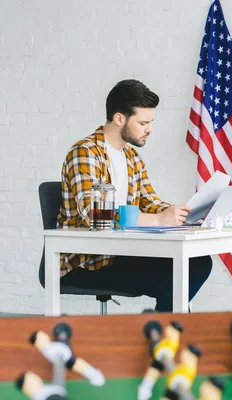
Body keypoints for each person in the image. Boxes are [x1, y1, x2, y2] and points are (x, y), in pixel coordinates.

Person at [57, 79, 213, 312]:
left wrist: (185, 214)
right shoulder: (85, 153)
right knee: (174, 281)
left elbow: (150, 202)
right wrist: (159, 220)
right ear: (119, 119)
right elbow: (97, 216)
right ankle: (166, 337)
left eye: (150, 122)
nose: (149, 129)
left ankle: (166, 334)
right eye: (143, 123)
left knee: (198, 262)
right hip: (86, 262)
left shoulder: (132, 158)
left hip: (121, 254)